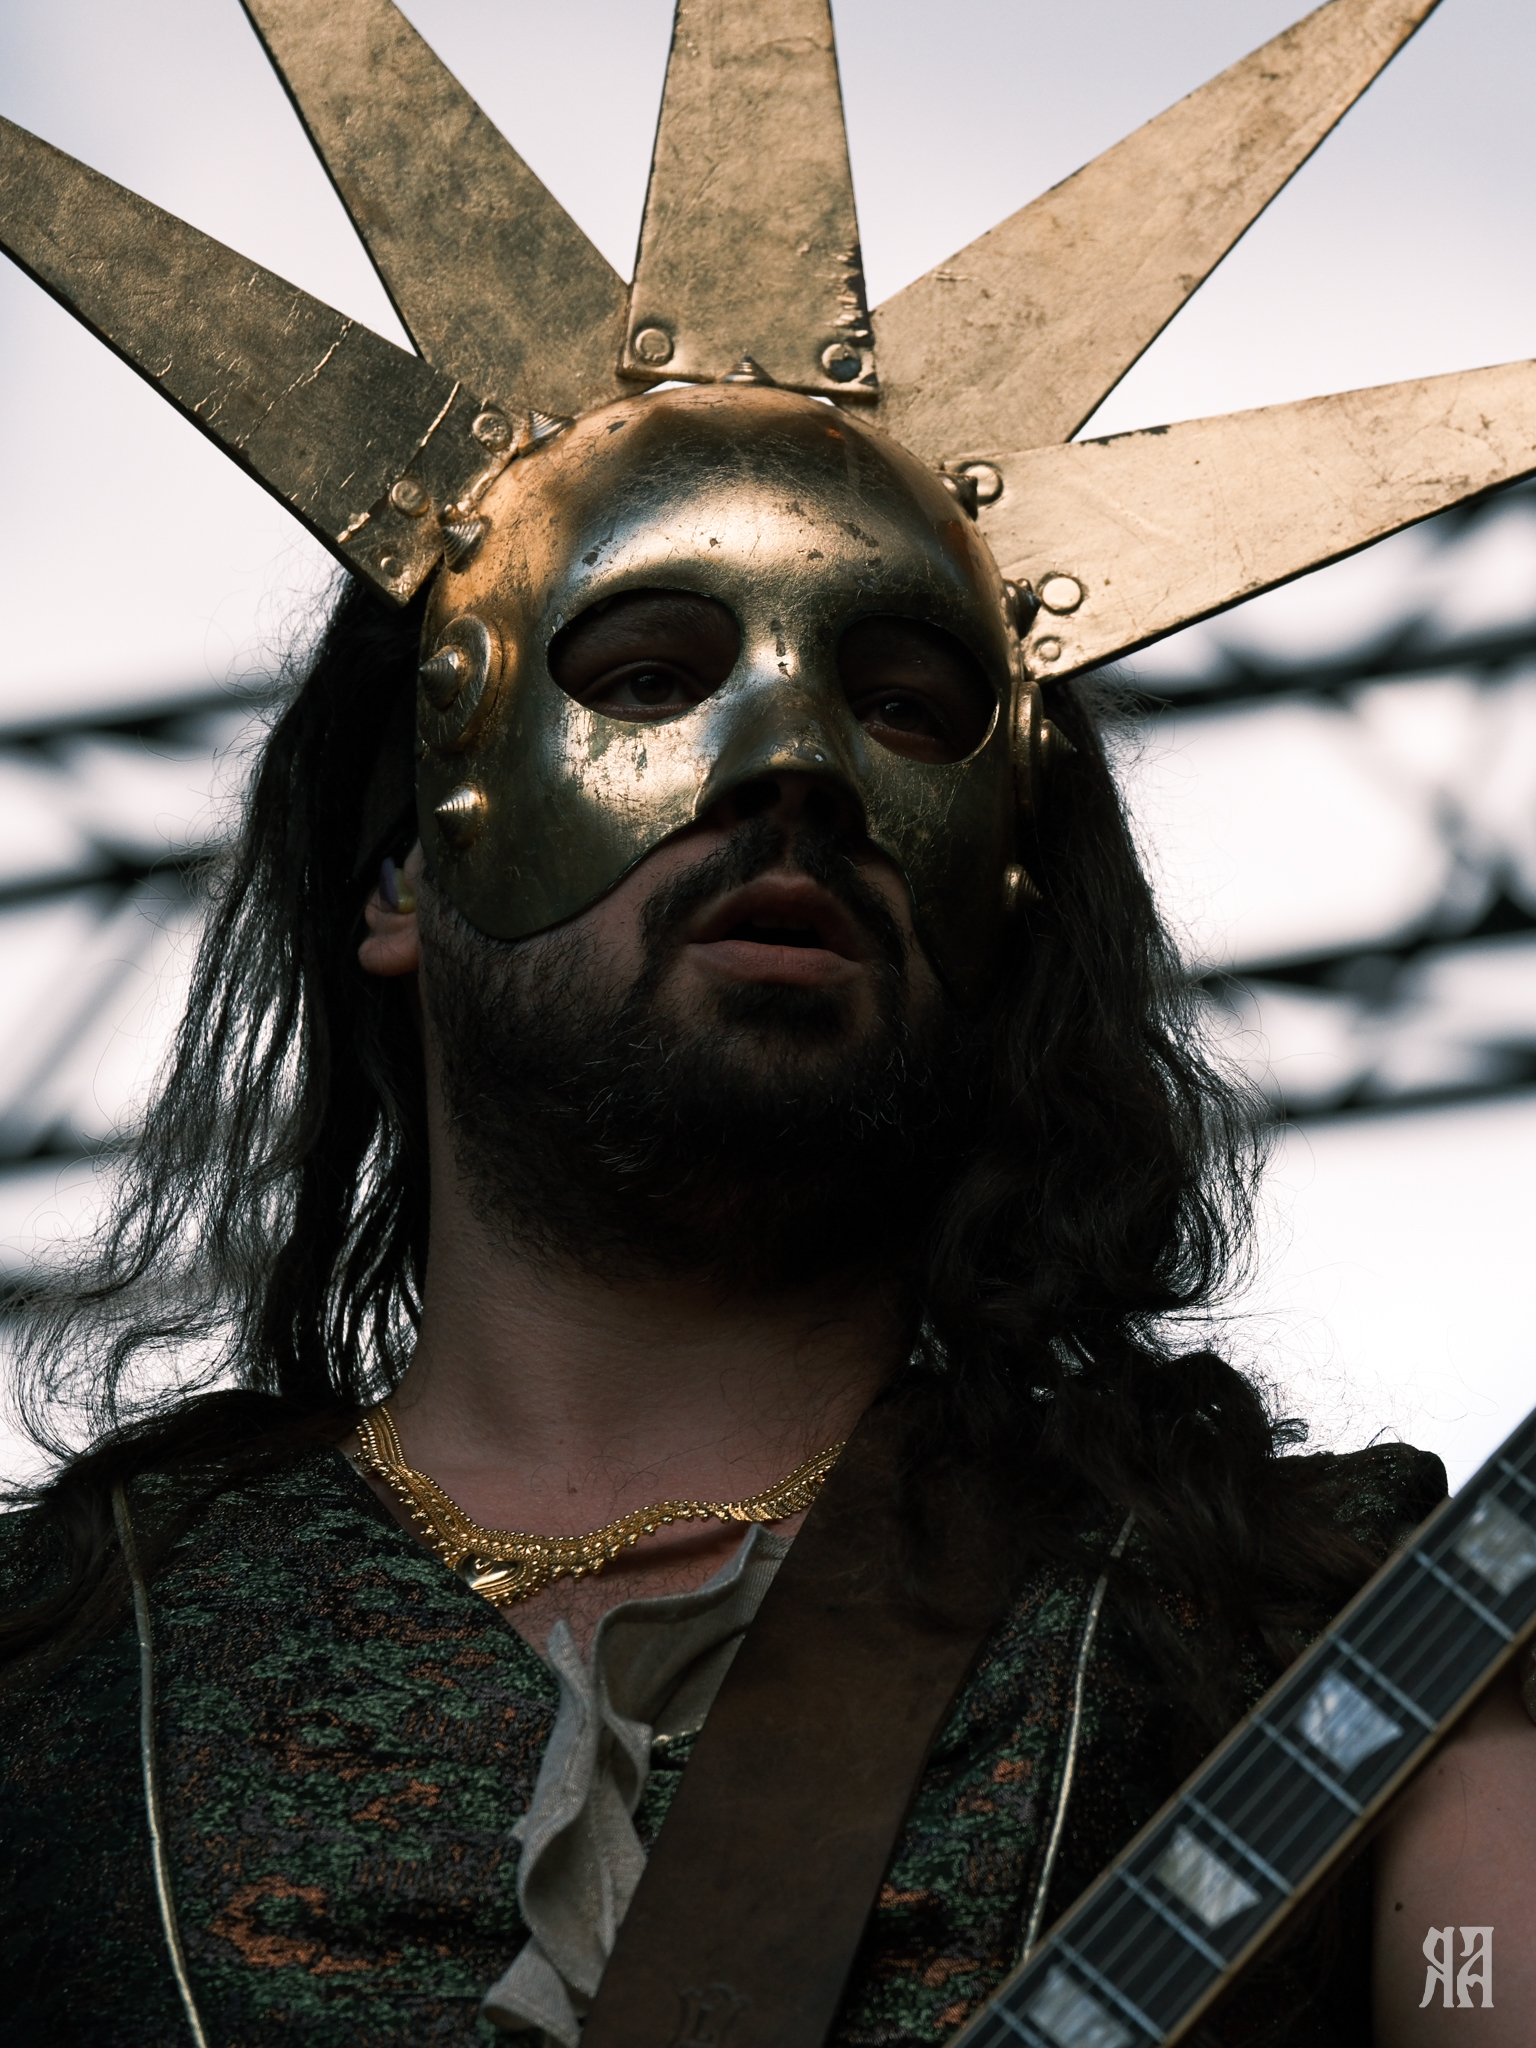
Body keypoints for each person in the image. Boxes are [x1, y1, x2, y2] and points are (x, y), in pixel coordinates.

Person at [1, 3, 1534, 2043]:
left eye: (908, 705)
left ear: (1007, 895)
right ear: (403, 876)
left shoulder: (1341, 1647)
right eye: (647, 673)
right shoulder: (47, 1677)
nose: (797, 764)